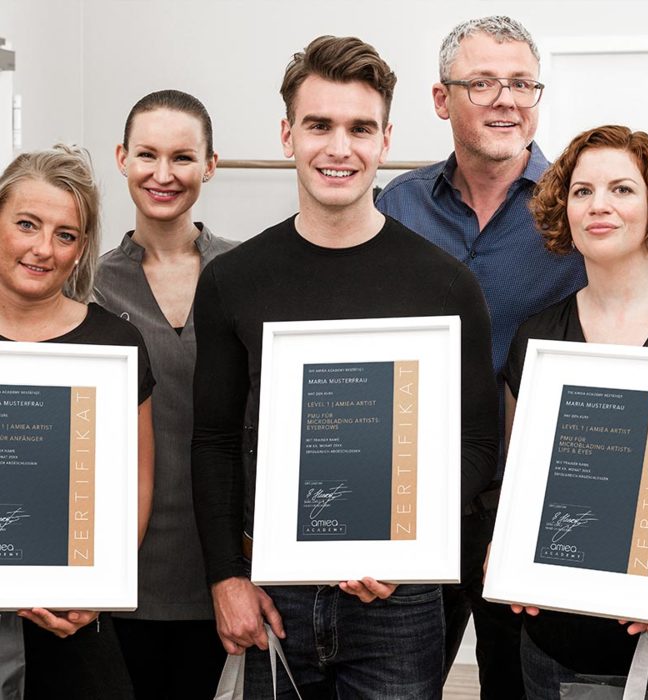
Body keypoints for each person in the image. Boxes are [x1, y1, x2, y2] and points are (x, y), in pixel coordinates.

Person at [192, 35, 498, 698]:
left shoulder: (444, 285)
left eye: (360, 128)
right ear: (287, 135)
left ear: (385, 139)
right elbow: (214, 441)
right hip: (275, 594)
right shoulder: (233, 281)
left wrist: (406, 541)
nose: (339, 147)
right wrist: (225, 577)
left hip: (400, 601)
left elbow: (478, 443)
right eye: (319, 125)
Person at [375, 16, 586, 695]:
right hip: (415, 503)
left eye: (522, 83)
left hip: (534, 505)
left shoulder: (579, 209)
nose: (507, 99)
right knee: (399, 683)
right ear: (443, 101)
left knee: (520, 686)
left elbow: (636, 307)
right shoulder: (396, 207)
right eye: (484, 83)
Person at [502, 124, 648, 698]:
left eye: (622, 189)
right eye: (582, 191)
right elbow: (519, 477)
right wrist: (508, 543)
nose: (599, 206)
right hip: (557, 641)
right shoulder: (537, 337)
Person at [0, 144, 155, 699]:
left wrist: (99, 586)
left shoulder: (113, 344)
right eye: (26, 224)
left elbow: (137, 481)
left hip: (72, 616)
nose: (43, 248)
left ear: (81, 247)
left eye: (65, 234)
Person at [95, 90, 236, 699]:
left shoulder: (242, 273)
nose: (163, 174)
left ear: (210, 165)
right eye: (147, 155)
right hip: (122, 567)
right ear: (123, 158)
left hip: (222, 568)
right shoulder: (91, 283)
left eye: (182, 157)